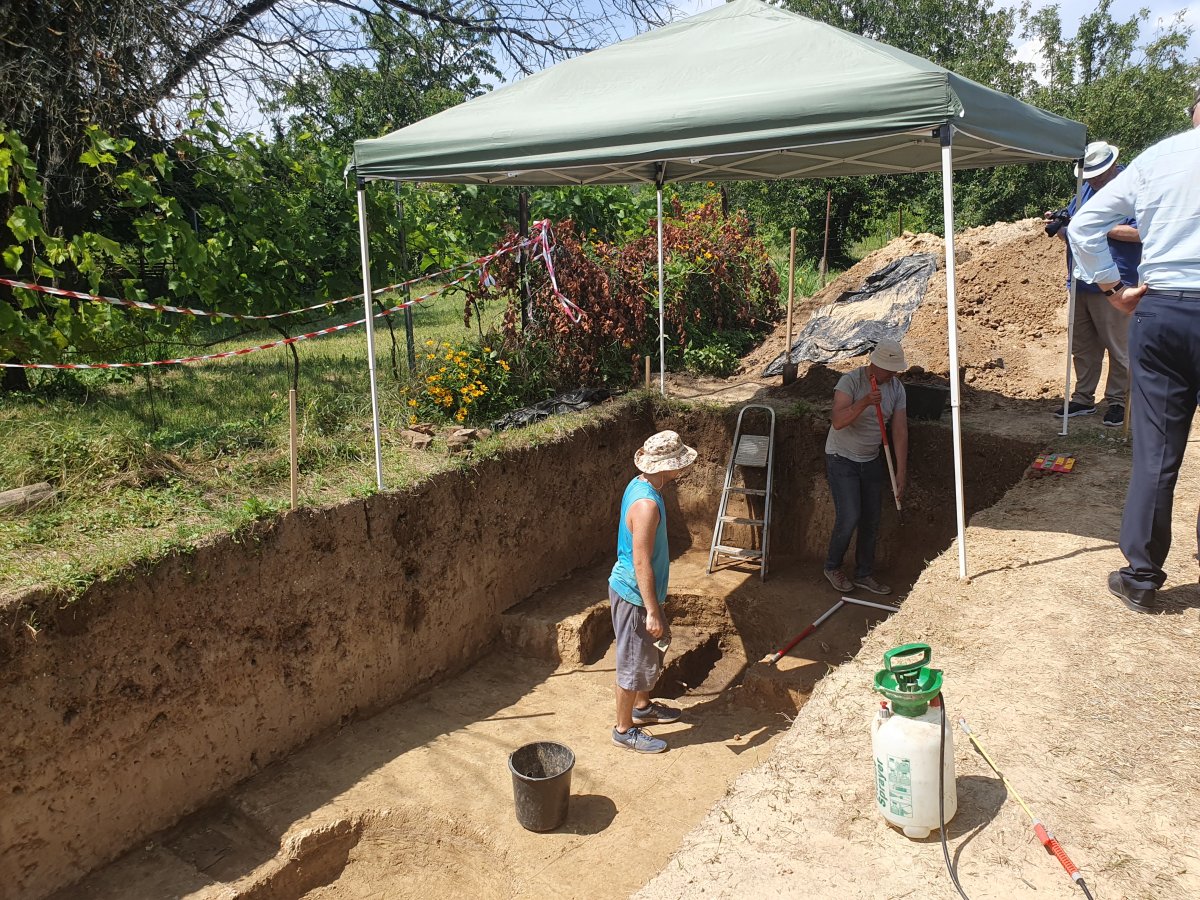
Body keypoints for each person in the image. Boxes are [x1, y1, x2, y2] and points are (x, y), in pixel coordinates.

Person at [1066, 89, 1200, 613]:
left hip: (1162, 310)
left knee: (1156, 454)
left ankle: (1142, 579)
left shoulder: (1161, 159)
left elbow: (1082, 225)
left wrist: (1110, 287)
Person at [608, 430, 697, 753]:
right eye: (679, 463)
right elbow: (641, 562)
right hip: (635, 595)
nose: (682, 469)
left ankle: (642, 707)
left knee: (650, 652)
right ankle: (623, 728)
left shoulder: (642, 484)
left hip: (640, 594)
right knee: (632, 663)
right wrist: (652, 611)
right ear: (667, 467)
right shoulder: (646, 505)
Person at [1046, 140, 1142, 426]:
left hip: (1115, 281)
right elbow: (1073, 229)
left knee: (1118, 346)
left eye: (1099, 174)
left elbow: (1140, 232)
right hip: (1079, 280)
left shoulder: (1133, 189)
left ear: (1113, 165)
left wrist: (1098, 226)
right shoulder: (1085, 189)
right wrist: (1062, 226)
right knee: (1083, 346)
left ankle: (1118, 402)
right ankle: (1083, 398)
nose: (1094, 180)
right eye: (1089, 175)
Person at [823, 339, 908, 596]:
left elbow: (900, 430)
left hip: (870, 459)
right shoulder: (850, 382)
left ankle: (864, 574)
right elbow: (837, 421)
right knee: (850, 516)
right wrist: (864, 403)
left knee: (871, 519)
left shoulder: (896, 388)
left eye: (895, 370)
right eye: (889, 369)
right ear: (875, 364)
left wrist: (900, 471)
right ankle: (832, 566)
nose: (893, 374)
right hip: (841, 458)